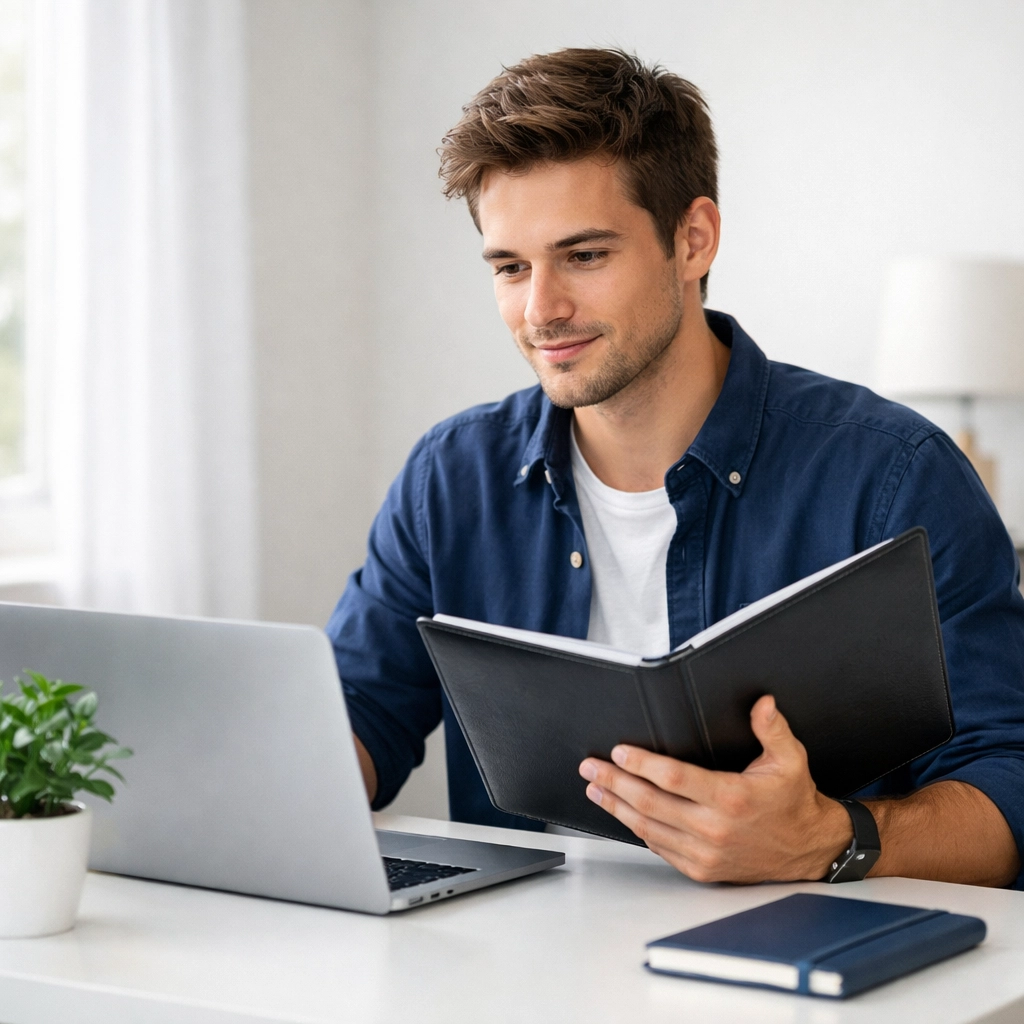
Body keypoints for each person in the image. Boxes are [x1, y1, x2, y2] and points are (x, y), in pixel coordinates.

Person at [327, 48, 1024, 887]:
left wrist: (831, 838)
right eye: (511, 267)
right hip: (512, 973)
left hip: (796, 976)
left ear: (693, 239)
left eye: (584, 256)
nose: (540, 309)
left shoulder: (893, 477)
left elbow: (1011, 784)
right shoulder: (452, 476)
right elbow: (355, 723)